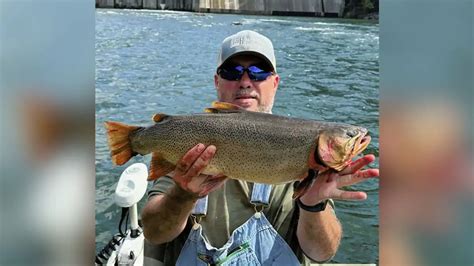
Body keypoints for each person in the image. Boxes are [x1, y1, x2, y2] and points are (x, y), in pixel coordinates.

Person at [142, 30, 379, 265]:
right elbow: (154, 233)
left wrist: (313, 204)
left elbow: (321, 253)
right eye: (232, 72)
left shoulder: (303, 149)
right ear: (217, 81)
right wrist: (182, 196)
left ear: (275, 83)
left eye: (258, 72)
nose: (245, 82)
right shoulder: (193, 143)